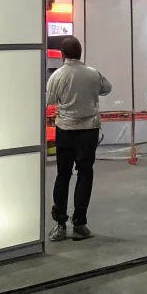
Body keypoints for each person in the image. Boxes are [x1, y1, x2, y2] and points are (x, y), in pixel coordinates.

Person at [45, 35, 111, 242]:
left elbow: (49, 100)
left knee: (63, 175)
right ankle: (80, 224)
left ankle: (60, 225)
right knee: (85, 174)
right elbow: (107, 89)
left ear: (62, 54)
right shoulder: (93, 73)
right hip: (88, 130)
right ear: (80, 53)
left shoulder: (57, 76)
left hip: (65, 130)